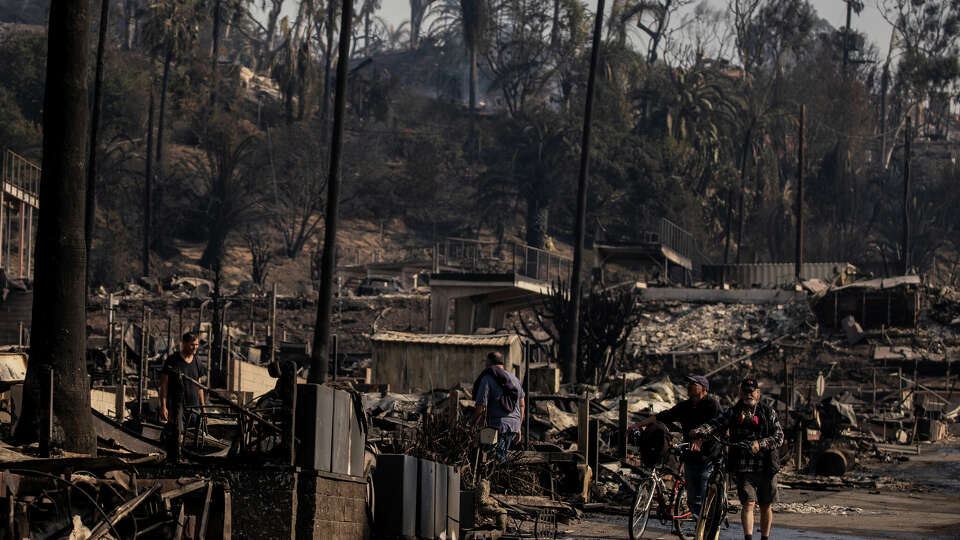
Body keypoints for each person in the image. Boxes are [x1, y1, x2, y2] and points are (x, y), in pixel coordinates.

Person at [691, 378, 783, 540]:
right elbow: (715, 424)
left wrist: (760, 443)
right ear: (741, 393)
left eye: (752, 391)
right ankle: (748, 537)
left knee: (765, 505)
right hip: (742, 466)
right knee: (748, 504)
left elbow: (779, 437)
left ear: (757, 393)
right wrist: (699, 430)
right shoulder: (733, 412)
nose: (749, 394)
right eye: (745, 391)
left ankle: (764, 537)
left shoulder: (768, 412)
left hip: (767, 466)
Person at [631, 374, 722, 519]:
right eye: (689, 383)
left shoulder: (712, 404)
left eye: (694, 384)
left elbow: (718, 426)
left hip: (709, 454)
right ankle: (701, 524)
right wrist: (638, 424)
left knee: (705, 488)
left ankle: (711, 523)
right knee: (692, 495)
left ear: (704, 388)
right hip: (691, 454)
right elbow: (663, 415)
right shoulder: (686, 406)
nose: (689, 386)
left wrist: (700, 440)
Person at [472, 351, 525, 462]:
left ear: (489, 362)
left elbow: (480, 405)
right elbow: (522, 405)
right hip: (514, 426)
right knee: (501, 458)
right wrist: (519, 427)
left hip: (496, 428)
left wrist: (476, 427)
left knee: (493, 462)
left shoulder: (488, 378)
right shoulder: (514, 379)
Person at [159, 332, 205, 461]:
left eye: (196, 345)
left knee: (195, 439)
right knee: (177, 436)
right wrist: (163, 406)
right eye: (192, 345)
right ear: (184, 343)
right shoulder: (172, 361)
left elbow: (199, 387)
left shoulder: (197, 361)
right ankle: (176, 460)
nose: (195, 347)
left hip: (195, 408)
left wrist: (204, 409)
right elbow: (164, 386)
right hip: (178, 407)